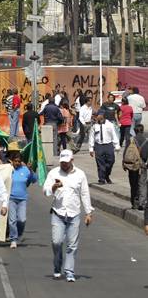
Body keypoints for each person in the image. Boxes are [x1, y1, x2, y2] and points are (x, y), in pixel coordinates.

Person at [43, 150, 93, 282]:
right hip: (58, 213)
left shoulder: (80, 175)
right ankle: (57, 265)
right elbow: (46, 191)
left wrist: (88, 212)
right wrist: (53, 187)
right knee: (57, 242)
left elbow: (84, 194)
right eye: (62, 163)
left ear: (72, 161)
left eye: (66, 162)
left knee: (72, 245)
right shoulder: (54, 173)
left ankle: (69, 271)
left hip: (74, 213)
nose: (64, 165)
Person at [7, 147, 37, 248]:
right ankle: (13, 239)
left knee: (22, 219)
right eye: (15, 161)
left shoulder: (25, 170)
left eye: (19, 161)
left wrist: (31, 170)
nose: (17, 163)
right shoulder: (8, 170)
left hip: (22, 199)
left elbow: (34, 180)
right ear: (12, 161)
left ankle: (19, 235)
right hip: (11, 199)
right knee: (12, 220)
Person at [88, 113, 120, 184]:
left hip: (108, 145)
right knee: (100, 164)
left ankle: (106, 175)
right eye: (98, 119)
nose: (99, 120)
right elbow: (91, 137)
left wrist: (117, 146)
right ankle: (101, 179)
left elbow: (114, 135)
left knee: (111, 161)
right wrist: (91, 149)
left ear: (104, 118)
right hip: (99, 146)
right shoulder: (94, 126)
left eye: (101, 119)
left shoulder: (110, 125)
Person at [122, 124, 147, 210]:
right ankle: (142, 203)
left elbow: (126, 153)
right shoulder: (146, 140)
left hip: (132, 165)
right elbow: (145, 155)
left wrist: (124, 164)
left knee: (133, 184)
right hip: (142, 165)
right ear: (142, 131)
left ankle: (134, 203)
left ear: (135, 131)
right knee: (142, 184)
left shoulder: (130, 140)